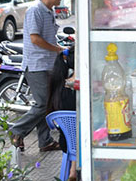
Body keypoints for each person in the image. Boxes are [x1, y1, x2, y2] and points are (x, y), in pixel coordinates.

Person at [9, 0, 64, 152]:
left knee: (47, 104)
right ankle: (16, 130)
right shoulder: (35, 10)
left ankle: (45, 141)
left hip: (48, 64)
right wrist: (57, 49)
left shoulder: (49, 12)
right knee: (42, 104)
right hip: (36, 64)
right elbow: (35, 38)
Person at [47, 48, 77, 181]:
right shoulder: (78, 91)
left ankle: (72, 170)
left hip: (67, 144)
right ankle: (74, 170)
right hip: (84, 143)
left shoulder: (57, 87)